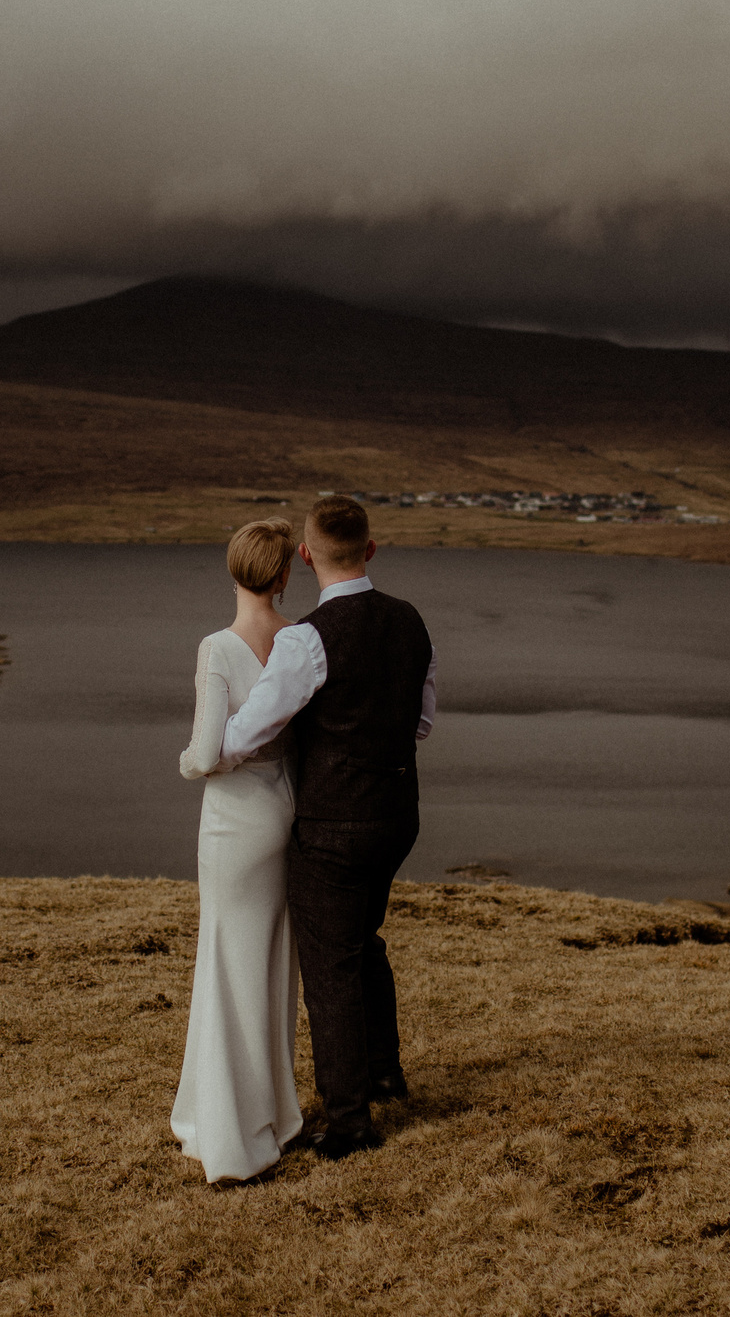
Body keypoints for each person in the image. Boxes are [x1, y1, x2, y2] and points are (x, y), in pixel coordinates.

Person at [219, 495, 435, 1160]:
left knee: (331, 966)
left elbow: (247, 731)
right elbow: (422, 720)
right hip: (398, 817)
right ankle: (382, 1070)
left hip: (333, 827)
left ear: (307, 555)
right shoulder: (410, 622)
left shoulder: (304, 639)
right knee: (365, 939)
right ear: (371, 549)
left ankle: (349, 1122)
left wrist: (214, 738)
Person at [170, 519, 305, 1182]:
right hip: (283, 809)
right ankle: (274, 1115)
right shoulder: (299, 639)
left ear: (233, 570)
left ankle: (226, 1126)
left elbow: (204, 751)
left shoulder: (217, 647)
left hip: (231, 820)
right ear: (283, 576)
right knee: (271, 961)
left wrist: (189, 767)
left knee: (224, 957)